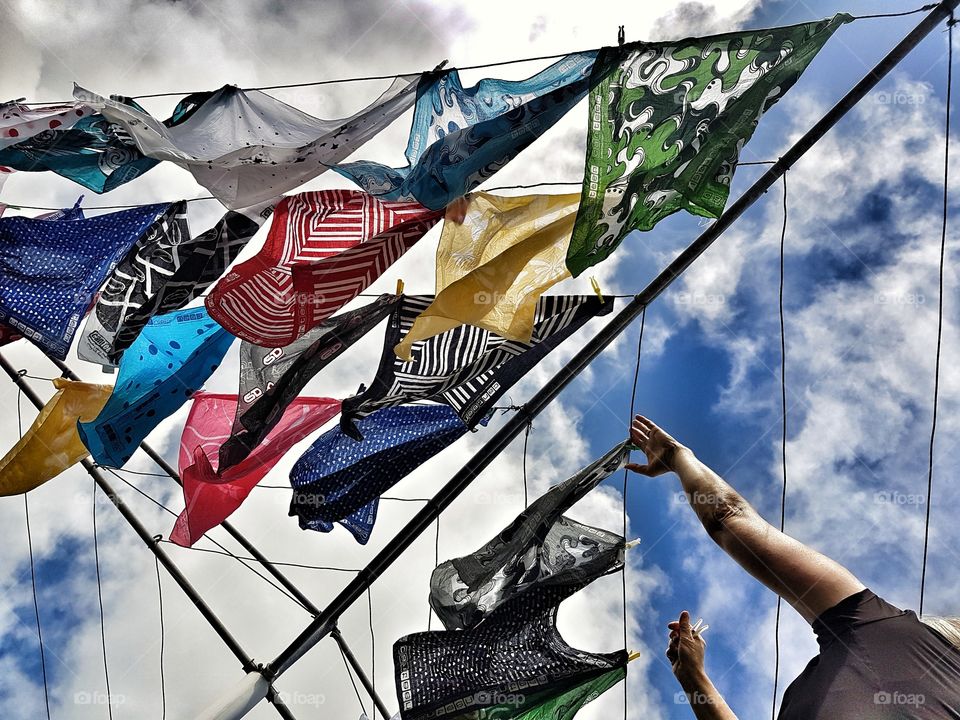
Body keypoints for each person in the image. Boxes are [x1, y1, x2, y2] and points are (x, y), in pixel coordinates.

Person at [627, 414, 960, 720]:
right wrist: (693, 678)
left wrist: (676, 457)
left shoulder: (879, 629)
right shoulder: (882, 632)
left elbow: (729, 519)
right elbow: (728, 519)